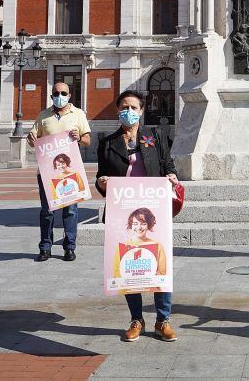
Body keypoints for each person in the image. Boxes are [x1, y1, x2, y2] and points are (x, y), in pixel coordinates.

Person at [96, 90, 180, 343]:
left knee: (160, 264)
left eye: (133, 107)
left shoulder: (154, 136)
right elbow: (101, 178)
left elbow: (168, 164)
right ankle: (136, 319)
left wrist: (172, 176)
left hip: (154, 211)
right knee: (129, 266)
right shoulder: (108, 143)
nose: (129, 111)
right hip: (124, 213)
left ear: (142, 111)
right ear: (118, 110)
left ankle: (162, 319)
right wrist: (101, 182)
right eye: (124, 107)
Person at [27, 82, 91, 263]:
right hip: (46, 172)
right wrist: (30, 138)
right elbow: (33, 139)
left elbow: (87, 140)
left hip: (70, 172)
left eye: (63, 93)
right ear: (51, 96)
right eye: (56, 93)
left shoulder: (78, 114)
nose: (60, 95)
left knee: (70, 211)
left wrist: (80, 137)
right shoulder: (43, 115)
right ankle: (45, 247)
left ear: (70, 95)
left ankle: (70, 247)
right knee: (47, 211)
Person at [114, 207, 169, 279]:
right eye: (135, 223)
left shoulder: (158, 246)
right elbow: (116, 274)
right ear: (131, 225)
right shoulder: (121, 247)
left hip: (151, 287)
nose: (139, 227)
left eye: (143, 224)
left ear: (149, 225)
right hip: (127, 288)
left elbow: (162, 274)